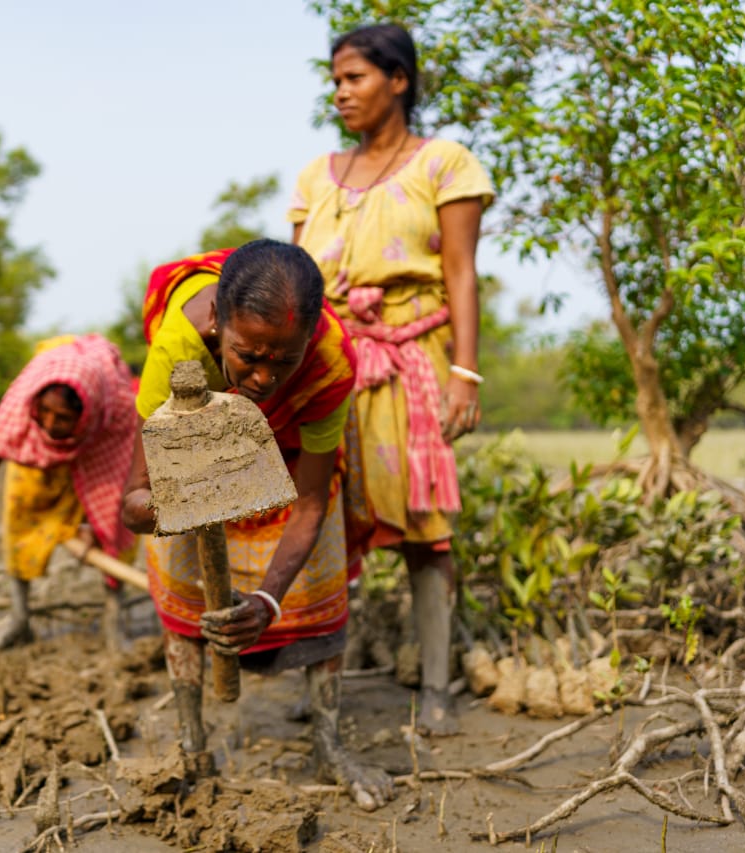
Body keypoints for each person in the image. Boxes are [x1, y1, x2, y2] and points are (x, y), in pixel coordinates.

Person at [121, 239, 392, 810]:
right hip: (191, 461)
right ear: (217, 322)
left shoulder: (330, 363)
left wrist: (268, 601)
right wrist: (170, 509)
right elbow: (135, 497)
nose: (265, 378)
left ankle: (328, 742)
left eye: (283, 360)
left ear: (310, 339)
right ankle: (193, 747)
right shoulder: (178, 349)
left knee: (321, 583)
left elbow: (313, 501)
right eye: (248, 355)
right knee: (182, 584)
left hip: (291, 460)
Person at [288, 22, 495, 736]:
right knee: (319, 523)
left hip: (413, 361)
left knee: (422, 528)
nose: (340, 92)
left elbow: (462, 271)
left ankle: (436, 686)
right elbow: (297, 283)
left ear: (398, 80)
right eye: (336, 80)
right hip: (330, 364)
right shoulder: (317, 176)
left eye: (355, 78)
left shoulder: (444, 162)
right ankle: (319, 687)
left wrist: (465, 372)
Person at [0, 334, 138, 651]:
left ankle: (115, 620)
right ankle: (19, 620)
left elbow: (118, 479)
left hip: (96, 449)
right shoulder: (21, 420)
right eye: (45, 411)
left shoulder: (113, 412)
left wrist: (92, 524)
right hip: (34, 466)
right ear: (35, 402)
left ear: (84, 416)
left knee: (114, 524)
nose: (49, 424)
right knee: (22, 519)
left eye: (62, 418)